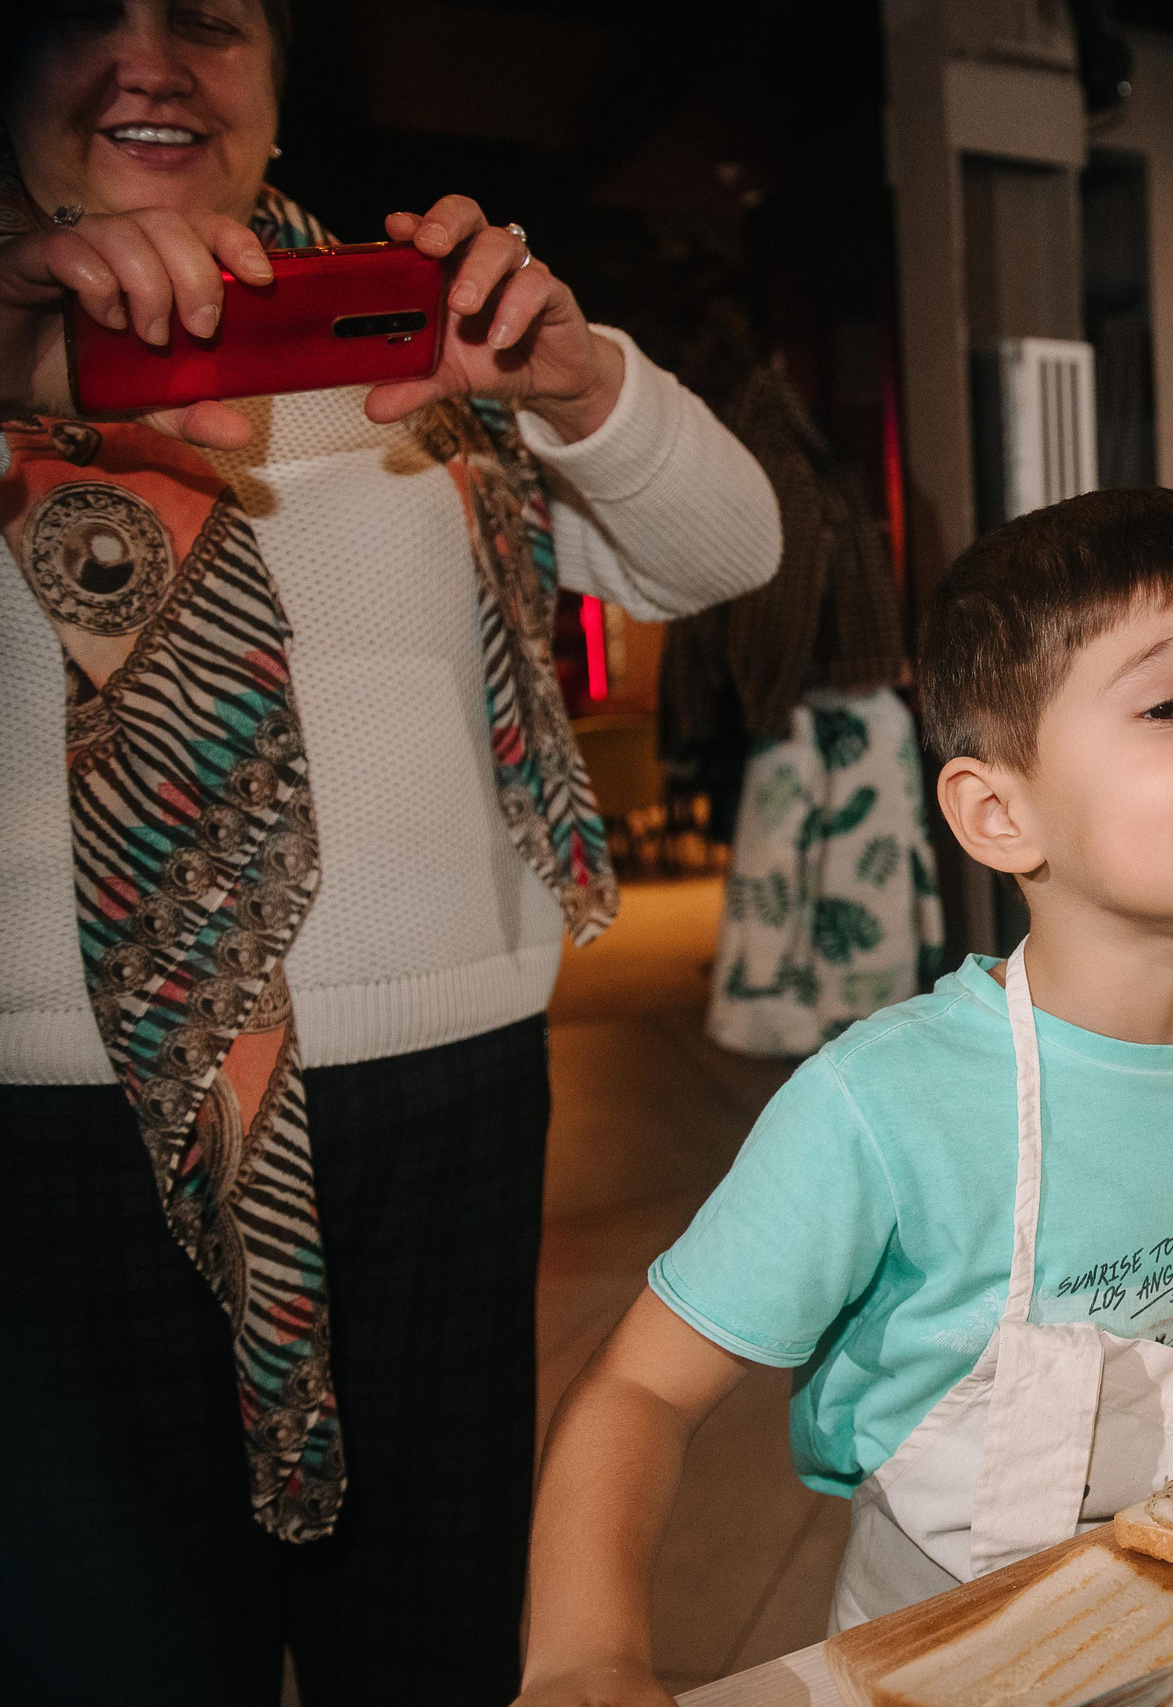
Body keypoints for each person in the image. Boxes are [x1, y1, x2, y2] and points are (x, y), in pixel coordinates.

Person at [0, 5, 781, 1704]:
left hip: (447, 1101)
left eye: (207, 20)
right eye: (84, 13)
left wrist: (577, 380)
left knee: (430, 1655)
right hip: (63, 1141)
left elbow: (728, 549)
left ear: (276, 83)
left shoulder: (394, 339)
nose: (151, 60)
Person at [511, 490, 1173, 1707]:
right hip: (959, 1665)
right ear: (999, 814)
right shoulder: (882, 1107)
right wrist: (585, 1656)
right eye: (1168, 705)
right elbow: (637, 1391)